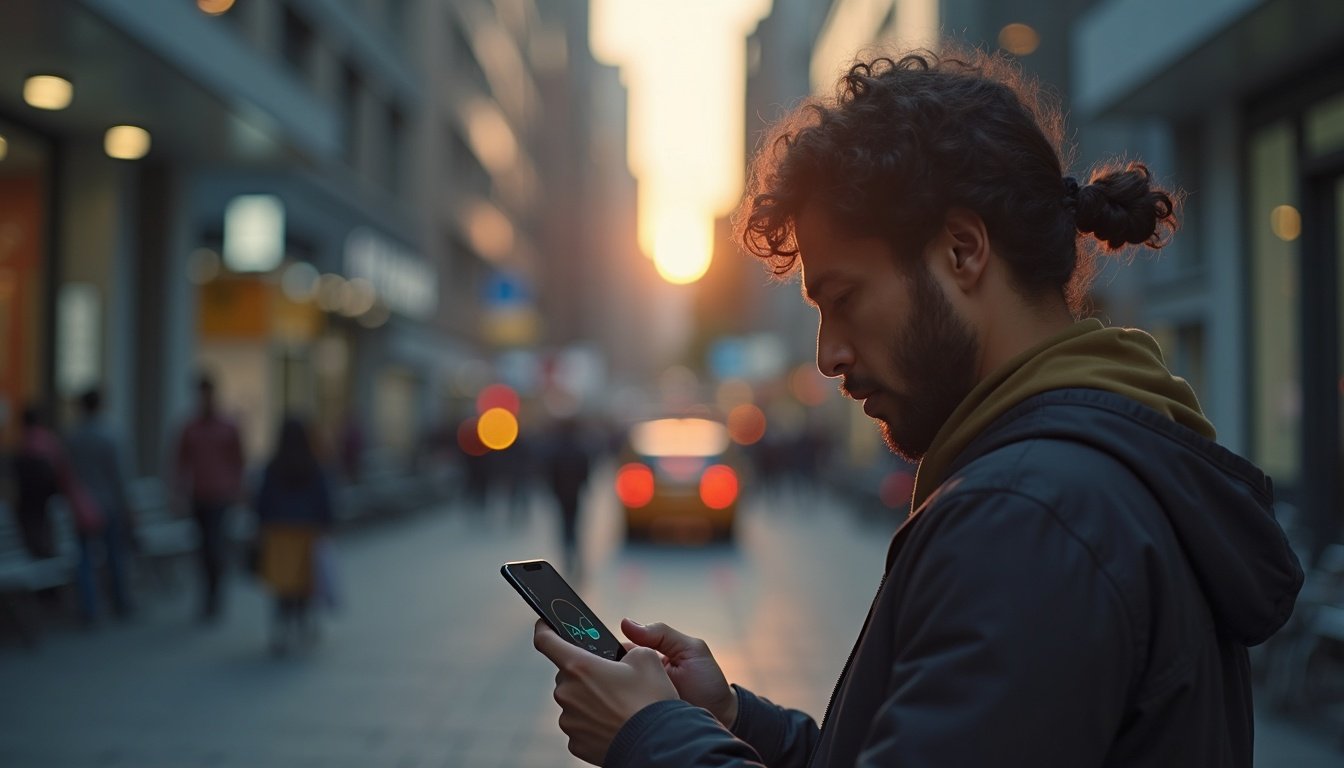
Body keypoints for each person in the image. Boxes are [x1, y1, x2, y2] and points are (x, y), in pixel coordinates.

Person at [529, 49, 1305, 767]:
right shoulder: (1083, 471)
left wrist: (650, 737)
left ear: (963, 251)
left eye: (845, 299)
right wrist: (730, 717)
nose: (829, 354)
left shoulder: (1028, 515)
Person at [253, 416, 334, 655]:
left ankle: (282, 628)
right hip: (305, 532)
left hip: (279, 534)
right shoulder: (313, 465)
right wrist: (326, 524)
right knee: (303, 582)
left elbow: (263, 501)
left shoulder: (273, 466)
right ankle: (303, 623)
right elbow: (323, 498)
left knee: (283, 585)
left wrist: (261, 526)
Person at [174, 374, 244, 622]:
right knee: (203, 548)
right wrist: (179, 493)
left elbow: (238, 461)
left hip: (221, 494)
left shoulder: (227, 427)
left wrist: (238, 491)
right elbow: (180, 462)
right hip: (199, 494)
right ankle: (206, 595)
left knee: (215, 546)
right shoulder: (190, 428)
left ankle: (215, 596)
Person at [64, 389, 134, 621]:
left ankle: (89, 607)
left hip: (83, 505)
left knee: (84, 557)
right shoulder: (110, 435)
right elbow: (119, 475)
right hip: (108, 503)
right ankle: (119, 601)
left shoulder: (74, 436)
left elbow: (69, 473)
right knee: (113, 554)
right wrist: (126, 504)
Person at [10, 405, 64, 559]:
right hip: (46, 500)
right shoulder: (48, 441)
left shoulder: (24, 444)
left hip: (30, 503)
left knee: (36, 534)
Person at [542, 418, 592, 579]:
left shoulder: (556, 449)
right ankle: (576, 557)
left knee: (565, 527)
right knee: (574, 526)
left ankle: (568, 558)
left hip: (561, 494)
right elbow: (585, 472)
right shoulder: (580, 449)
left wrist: (553, 490)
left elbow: (550, 472)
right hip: (574, 493)